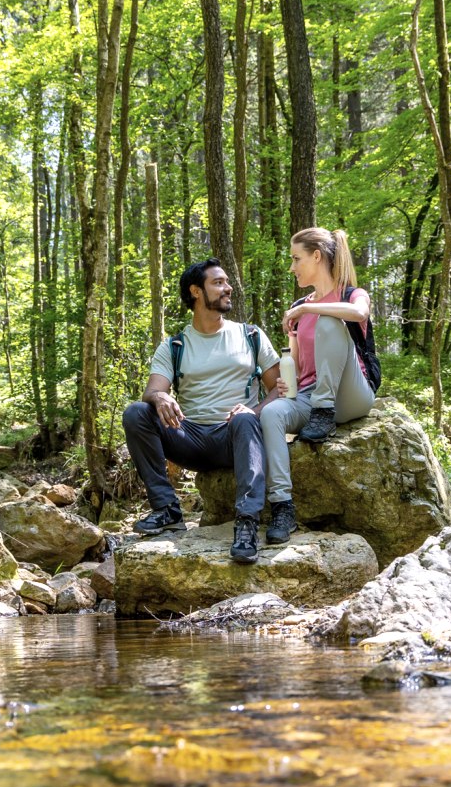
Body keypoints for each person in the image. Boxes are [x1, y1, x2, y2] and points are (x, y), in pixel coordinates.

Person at [122, 258, 284, 565]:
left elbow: (280, 388)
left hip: (236, 435)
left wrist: (256, 409)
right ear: (196, 291)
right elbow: (152, 390)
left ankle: (247, 525)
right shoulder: (175, 345)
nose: (228, 287)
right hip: (190, 437)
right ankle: (167, 510)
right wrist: (160, 398)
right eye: (218, 282)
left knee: (248, 420)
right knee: (136, 413)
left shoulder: (250, 335)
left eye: (227, 282)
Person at [259, 228, 378, 544]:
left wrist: (308, 308)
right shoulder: (299, 306)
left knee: (328, 321)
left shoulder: (351, 295)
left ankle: (325, 412)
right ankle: (283, 507)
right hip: (310, 397)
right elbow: (296, 365)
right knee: (270, 414)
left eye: (296, 259)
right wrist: (287, 382)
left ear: (316, 256)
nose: (292, 267)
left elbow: (359, 314)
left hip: (351, 393)